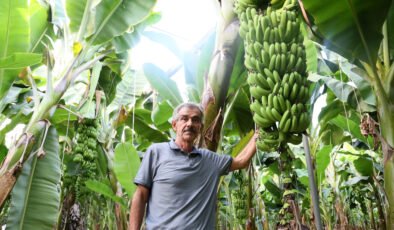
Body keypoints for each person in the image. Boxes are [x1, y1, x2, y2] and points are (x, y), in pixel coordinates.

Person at [129, 102, 258, 229]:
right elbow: (140, 195)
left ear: (200, 128)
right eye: (184, 119)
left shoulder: (210, 159)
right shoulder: (156, 152)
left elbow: (242, 161)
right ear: (174, 125)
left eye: (195, 120)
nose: (189, 124)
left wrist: (260, 131)